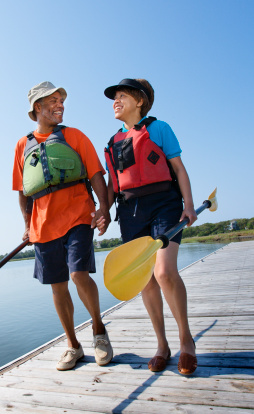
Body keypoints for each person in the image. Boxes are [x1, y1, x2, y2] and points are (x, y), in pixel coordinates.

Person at [12, 81, 113, 371]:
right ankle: (73, 345)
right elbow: (22, 191)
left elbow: (96, 175)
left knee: (79, 274)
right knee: (58, 287)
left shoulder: (75, 136)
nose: (60, 105)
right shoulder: (22, 146)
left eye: (61, 100)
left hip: (78, 216)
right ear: (37, 108)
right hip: (43, 227)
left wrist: (103, 210)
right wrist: (27, 226)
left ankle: (98, 332)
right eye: (53, 101)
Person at [102, 78, 198, 375]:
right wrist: (103, 211)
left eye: (121, 96)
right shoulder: (112, 141)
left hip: (164, 204)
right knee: (146, 280)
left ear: (139, 101)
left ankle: (186, 342)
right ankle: (162, 345)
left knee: (165, 271)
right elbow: (110, 184)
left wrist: (189, 205)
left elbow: (179, 169)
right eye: (113, 97)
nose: (115, 101)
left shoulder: (159, 128)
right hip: (130, 212)